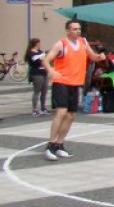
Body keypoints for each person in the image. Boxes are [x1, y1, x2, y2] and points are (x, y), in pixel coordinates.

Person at [43, 21, 107, 160]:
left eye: (79, 29)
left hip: (75, 82)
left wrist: (100, 57)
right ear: (67, 31)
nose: (77, 31)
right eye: (74, 29)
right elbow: (46, 60)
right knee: (61, 112)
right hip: (61, 81)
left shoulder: (83, 42)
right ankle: (51, 145)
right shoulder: (61, 44)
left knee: (71, 115)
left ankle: (60, 144)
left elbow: (93, 57)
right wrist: (51, 71)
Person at [25, 38, 49, 115]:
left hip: (44, 73)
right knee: (37, 91)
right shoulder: (30, 53)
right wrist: (42, 58)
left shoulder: (40, 52)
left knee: (44, 91)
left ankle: (43, 107)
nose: (40, 45)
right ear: (36, 44)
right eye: (39, 43)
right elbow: (35, 61)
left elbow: (46, 59)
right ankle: (35, 109)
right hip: (36, 73)